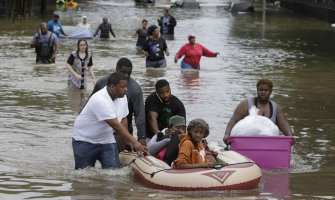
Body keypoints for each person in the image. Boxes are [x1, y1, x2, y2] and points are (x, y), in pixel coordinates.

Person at [72, 72, 147, 169]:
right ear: (112, 86)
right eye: (122, 87)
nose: (126, 89)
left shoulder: (123, 97)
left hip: (106, 140)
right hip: (85, 140)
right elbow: (115, 125)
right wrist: (135, 142)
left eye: (126, 86)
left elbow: (123, 119)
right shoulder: (100, 99)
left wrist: (127, 141)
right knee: (84, 175)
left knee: (113, 173)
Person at [89, 58, 146, 147]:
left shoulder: (135, 90)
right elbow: (89, 105)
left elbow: (140, 116)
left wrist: (141, 137)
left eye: (129, 73)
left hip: (123, 132)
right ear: (116, 69)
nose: (126, 75)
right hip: (100, 131)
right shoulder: (101, 83)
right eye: (123, 72)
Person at [223, 78, 293, 145]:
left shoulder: (275, 107)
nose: (263, 92)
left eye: (266, 90)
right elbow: (234, 120)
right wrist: (227, 134)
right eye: (261, 90)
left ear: (270, 92)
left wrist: (290, 137)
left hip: (268, 143)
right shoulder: (246, 104)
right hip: (247, 142)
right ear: (257, 90)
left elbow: (283, 123)